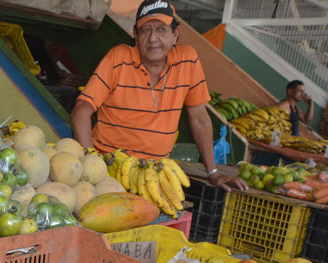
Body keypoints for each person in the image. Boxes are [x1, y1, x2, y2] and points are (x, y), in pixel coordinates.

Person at [70, 0, 247, 192]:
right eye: (145, 30)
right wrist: (92, 165)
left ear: (175, 35)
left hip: (153, 174)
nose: (153, 38)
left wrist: (212, 172)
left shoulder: (188, 60)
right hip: (109, 168)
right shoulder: (118, 58)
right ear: (135, 36)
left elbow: (201, 120)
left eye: (161, 30)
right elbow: (81, 111)